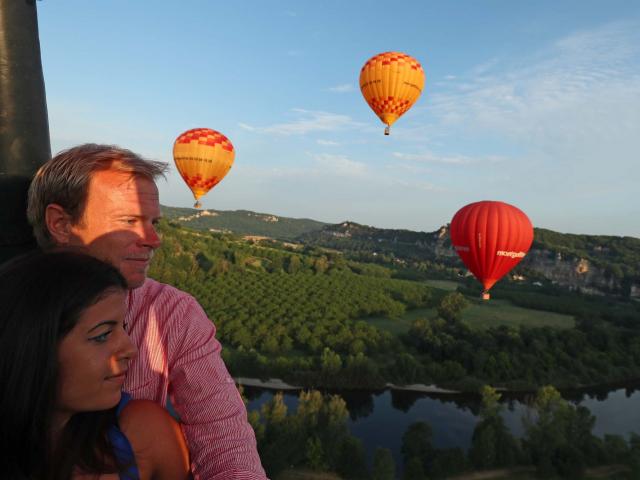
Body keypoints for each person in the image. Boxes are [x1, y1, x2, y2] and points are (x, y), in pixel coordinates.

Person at [26, 144, 267, 479]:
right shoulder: (14, 304)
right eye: (130, 221)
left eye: (154, 222)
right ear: (61, 223)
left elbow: (221, 432)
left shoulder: (173, 313)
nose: (154, 239)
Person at [0, 251, 190, 479]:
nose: (131, 350)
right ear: (31, 348)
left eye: (124, 327)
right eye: (102, 335)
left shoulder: (144, 435)